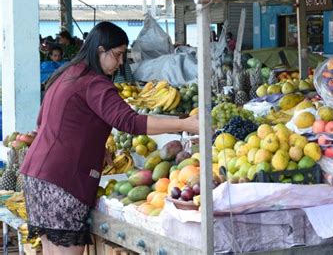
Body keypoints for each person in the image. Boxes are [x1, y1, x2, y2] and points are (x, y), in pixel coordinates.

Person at [20, 22, 199, 254]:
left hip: (36, 177)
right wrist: (184, 123)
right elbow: (130, 122)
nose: (121, 62)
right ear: (100, 51)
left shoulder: (68, 73)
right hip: (62, 181)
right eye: (118, 55)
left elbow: (44, 120)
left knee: (50, 249)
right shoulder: (94, 83)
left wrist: (94, 144)